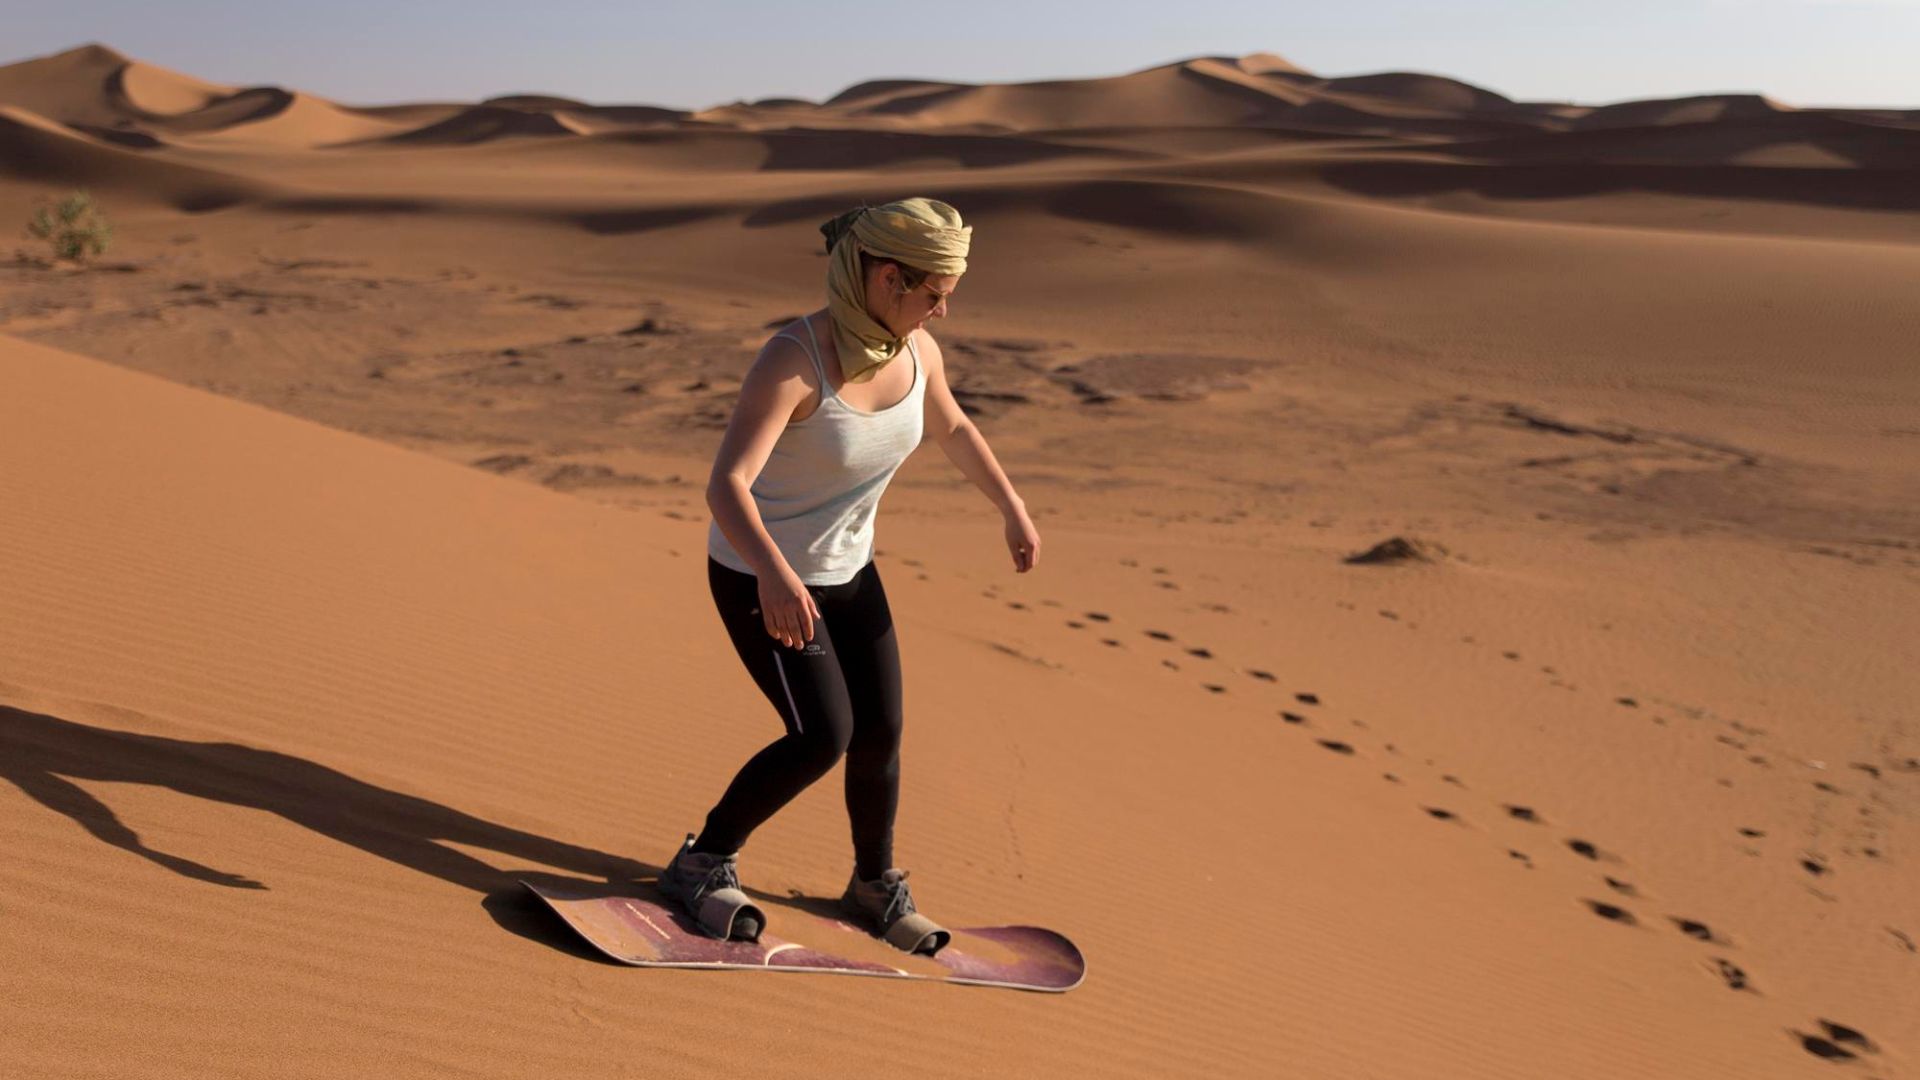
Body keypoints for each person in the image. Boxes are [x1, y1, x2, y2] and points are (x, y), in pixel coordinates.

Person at [656, 197, 1041, 956]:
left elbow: (954, 427)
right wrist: (771, 573)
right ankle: (701, 861)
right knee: (821, 735)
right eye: (933, 296)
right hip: (758, 573)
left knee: (882, 733)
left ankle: (873, 883)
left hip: (849, 575)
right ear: (889, 279)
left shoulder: (916, 354)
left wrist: (1011, 505)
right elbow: (727, 484)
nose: (942, 314)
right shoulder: (794, 358)